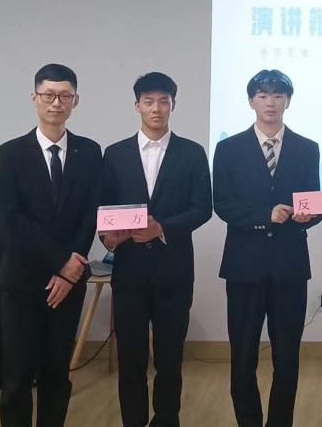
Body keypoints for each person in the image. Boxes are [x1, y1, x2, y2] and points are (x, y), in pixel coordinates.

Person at [100, 72, 213, 427]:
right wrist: (107, 238)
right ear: (137, 105)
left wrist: (161, 227)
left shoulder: (192, 153)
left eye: (164, 101)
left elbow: (202, 208)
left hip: (174, 273)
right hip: (129, 273)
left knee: (170, 359)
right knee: (130, 360)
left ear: (173, 106)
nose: (156, 108)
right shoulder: (115, 154)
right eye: (148, 101)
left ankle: (166, 420)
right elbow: (104, 208)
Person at [213, 69, 322, 427]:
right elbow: (222, 204)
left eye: (277, 96)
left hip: (290, 268)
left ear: (287, 101)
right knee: (242, 356)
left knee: (287, 359)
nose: (270, 102)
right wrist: (265, 215)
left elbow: (312, 203)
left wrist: (308, 217)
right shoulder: (228, 149)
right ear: (251, 101)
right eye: (262, 95)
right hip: (244, 269)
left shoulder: (307, 148)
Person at [0, 63, 102, 427]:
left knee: (57, 374)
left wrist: (70, 271)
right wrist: (61, 261)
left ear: (75, 100)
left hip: (68, 284)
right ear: (34, 98)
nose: (57, 103)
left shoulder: (89, 152)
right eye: (49, 95)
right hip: (23, 282)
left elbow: (91, 213)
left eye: (65, 96)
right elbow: (14, 218)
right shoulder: (12, 153)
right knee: (17, 378)